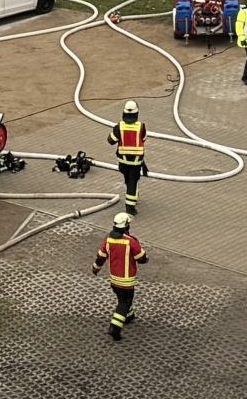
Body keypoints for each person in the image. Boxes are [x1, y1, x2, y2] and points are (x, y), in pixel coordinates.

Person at [93, 211, 146, 340]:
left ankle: (129, 316)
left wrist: (95, 268)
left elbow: (101, 257)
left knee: (123, 299)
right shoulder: (130, 241)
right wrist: (145, 257)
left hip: (114, 281)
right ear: (126, 226)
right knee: (124, 303)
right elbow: (142, 258)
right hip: (127, 281)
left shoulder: (108, 239)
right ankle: (115, 328)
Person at [109, 100, 147, 212]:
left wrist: (116, 132)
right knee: (132, 182)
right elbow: (143, 139)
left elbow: (111, 141)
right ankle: (130, 207)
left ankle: (132, 198)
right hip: (135, 162)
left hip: (123, 161)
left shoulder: (119, 127)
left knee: (128, 180)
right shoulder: (141, 126)